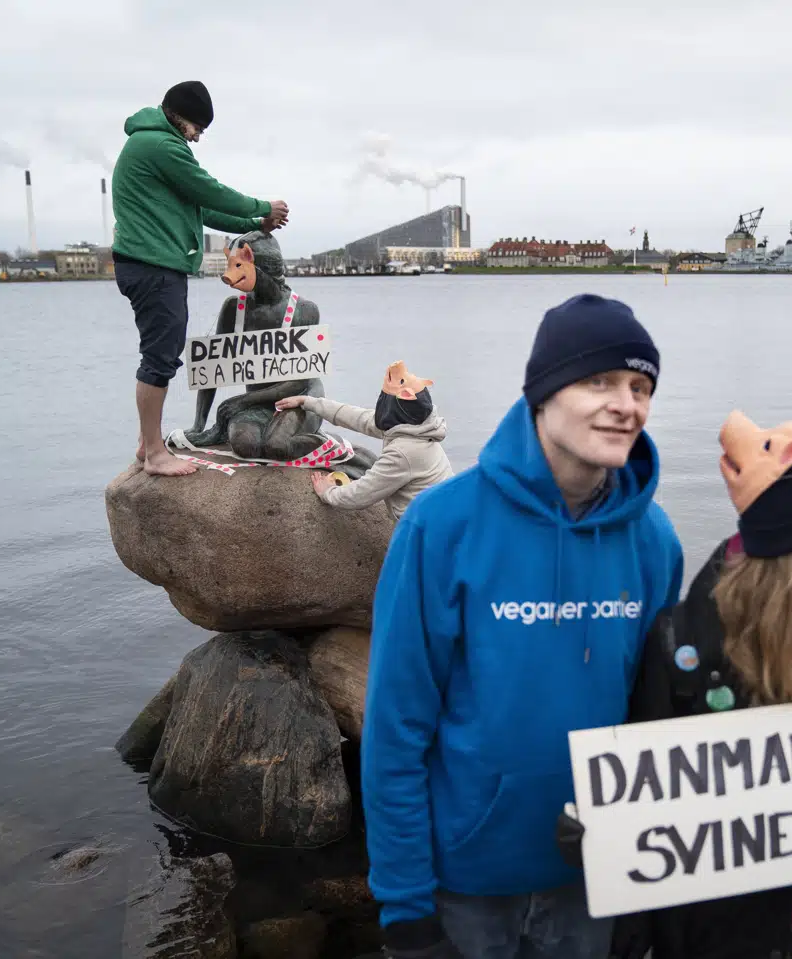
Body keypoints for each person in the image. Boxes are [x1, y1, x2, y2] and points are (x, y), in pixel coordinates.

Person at [361, 293, 686, 959]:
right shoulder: (443, 525)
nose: (626, 403)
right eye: (600, 380)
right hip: (467, 882)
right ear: (543, 392)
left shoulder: (654, 539)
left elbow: (656, 723)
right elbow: (396, 726)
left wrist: (642, 881)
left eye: (640, 385)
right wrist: (404, 905)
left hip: (592, 879)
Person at [582, 409, 792, 959]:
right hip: (721, 929)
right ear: (790, 548)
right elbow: (646, 804)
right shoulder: (679, 644)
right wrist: (602, 838)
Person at [111, 79, 289, 476]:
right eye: (198, 128)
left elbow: (201, 210)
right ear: (180, 116)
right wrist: (263, 205)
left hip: (150, 264)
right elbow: (209, 191)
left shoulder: (155, 145)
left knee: (160, 354)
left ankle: (146, 444)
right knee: (159, 358)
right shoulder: (161, 146)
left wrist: (254, 221)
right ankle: (155, 454)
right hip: (151, 265)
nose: (197, 137)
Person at [276, 360, 454, 520]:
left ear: (405, 396)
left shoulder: (404, 452)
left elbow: (364, 493)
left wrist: (328, 492)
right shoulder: (414, 425)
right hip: (441, 517)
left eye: (401, 381)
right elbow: (358, 417)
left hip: (431, 532)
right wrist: (308, 402)